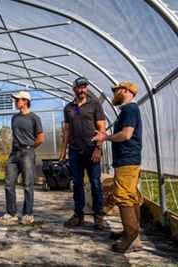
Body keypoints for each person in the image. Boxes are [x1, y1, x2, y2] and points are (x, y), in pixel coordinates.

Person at [92, 81, 143, 253]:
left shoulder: (129, 109)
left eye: (117, 91)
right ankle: (131, 230)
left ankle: (131, 236)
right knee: (131, 195)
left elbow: (126, 134)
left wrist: (105, 137)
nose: (115, 94)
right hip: (129, 159)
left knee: (123, 196)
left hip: (127, 160)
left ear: (126, 91)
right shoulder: (128, 110)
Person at [59, 77, 106, 230]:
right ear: (74, 89)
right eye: (79, 87)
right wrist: (63, 151)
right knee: (77, 184)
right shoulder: (68, 108)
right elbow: (66, 130)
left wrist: (98, 148)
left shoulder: (95, 104)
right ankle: (78, 215)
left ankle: (99, 216)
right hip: (74, 151)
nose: (82, 90)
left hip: (91, 149)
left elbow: (102, 129)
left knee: (95, 183)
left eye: (84, 87)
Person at [0, 91, 44, 224]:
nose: (15, 101)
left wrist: (29, 148)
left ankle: (28, 214)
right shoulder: (14, 118)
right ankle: (11, 212)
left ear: (26, 101)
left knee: (28, 184)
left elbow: (40, 139)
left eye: (18, 99)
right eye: (16, 99)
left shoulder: (34, 118)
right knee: (8, 183)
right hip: (14, 153)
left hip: (27, 152)